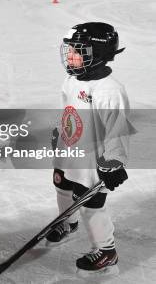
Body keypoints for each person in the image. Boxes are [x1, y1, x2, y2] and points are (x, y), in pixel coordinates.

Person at [47, 22, 131, 276]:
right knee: (62, 185)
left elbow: (117, 129)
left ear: (98, 54)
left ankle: (106, 251)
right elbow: (68, 111)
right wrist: (59, 133)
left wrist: (114, 162)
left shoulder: (109, 89)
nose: (70, 56)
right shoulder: (71, 80)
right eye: (70, 50)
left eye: (77, 51)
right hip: (70, 149)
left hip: (94, 160)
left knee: (90, 204)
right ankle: (67, 223)